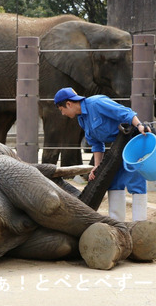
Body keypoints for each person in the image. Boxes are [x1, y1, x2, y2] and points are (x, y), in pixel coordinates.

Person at [54, 87, 148, 222]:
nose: (62, 113)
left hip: (132, 141)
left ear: (68, 104)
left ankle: (141, 224)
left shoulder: (96, 103)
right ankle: (117, 224)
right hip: (117, 147)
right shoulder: (82, 119)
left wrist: (139, 125)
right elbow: (96, 143)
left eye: (61, 109)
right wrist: (97, 166)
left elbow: (125, 113)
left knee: (135, 180)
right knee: (114, 181)